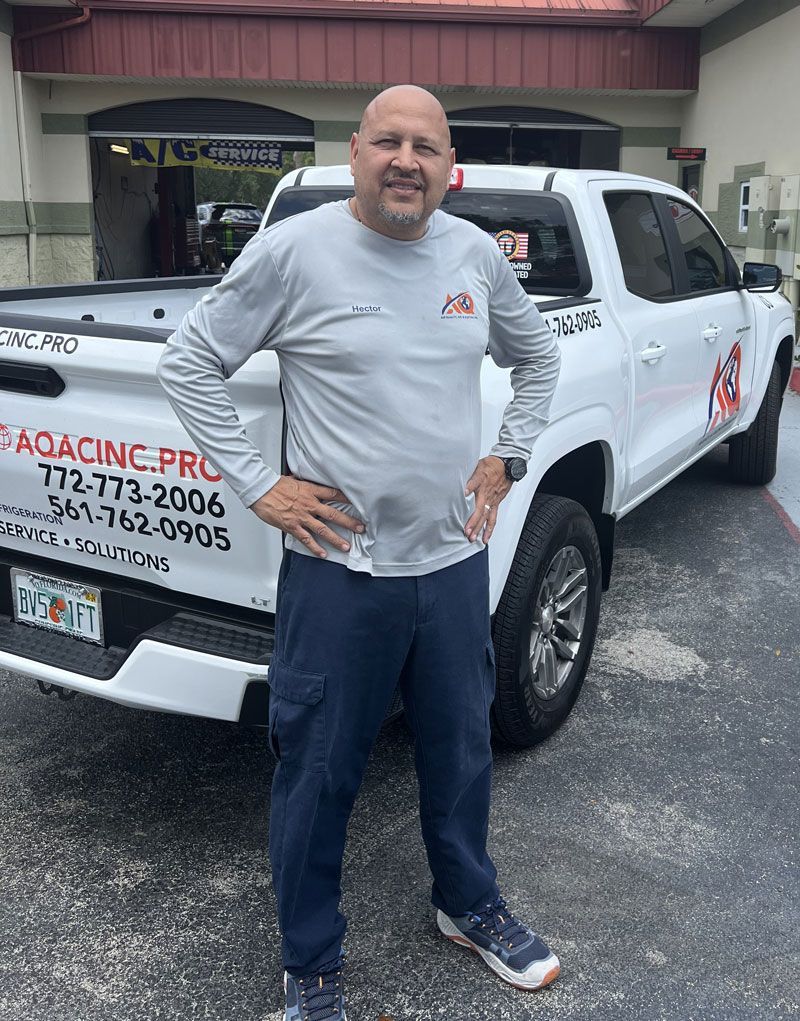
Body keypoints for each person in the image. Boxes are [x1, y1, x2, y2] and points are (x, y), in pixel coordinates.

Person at [157, 84, 562, 1020]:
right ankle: (311, 962)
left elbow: (535, 356)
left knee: (461, 750)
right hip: (343, 574)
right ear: (355, 151)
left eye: (425, 145)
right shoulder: (295, 251)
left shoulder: (472, 255)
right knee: (319, 771)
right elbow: (190, 362)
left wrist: (508, 455)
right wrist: (260, 483)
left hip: (453, 565)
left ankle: (466, 903)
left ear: (447, 165)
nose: (405, 160)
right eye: (389, 141)